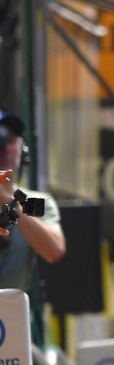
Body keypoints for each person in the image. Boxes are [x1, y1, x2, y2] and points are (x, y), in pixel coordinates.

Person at [0, 110, 66, 296]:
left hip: (11, 321)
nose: (4, 149)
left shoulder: (32, 202)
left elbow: (54, 250)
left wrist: (10, 202)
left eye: (10, 140)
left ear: (22, 149)